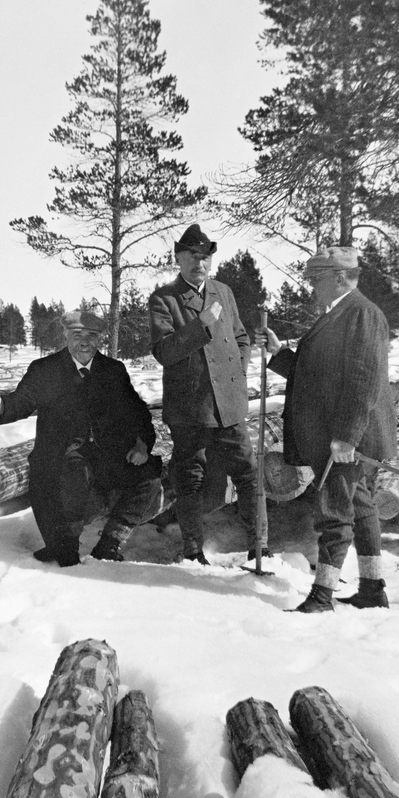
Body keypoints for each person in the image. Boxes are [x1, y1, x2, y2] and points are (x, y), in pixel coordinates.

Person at [260, 245, 397, 612]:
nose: (310, 287)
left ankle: (322, 595)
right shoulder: (340, 313)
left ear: (339, 278)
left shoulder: (362, 315)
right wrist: (278, 354)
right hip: (344, 433)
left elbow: (363, 380)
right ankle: (372, 588)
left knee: (333, 511)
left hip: (348, 437)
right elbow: (316, 376)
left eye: (316, 279)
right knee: (362, 506)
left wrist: (346, 437)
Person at [0, 310, 163, 567]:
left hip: (103, 463)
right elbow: (18, 405)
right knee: (65, 560)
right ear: (65, 336)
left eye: (92, 335)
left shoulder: (113, 370)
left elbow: (139, 413)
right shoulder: (45, 370)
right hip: (57, 465)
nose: (85, 341)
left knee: (149, 478)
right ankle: (63, 545)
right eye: (78, 335)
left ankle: (110, 543)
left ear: (99, 339)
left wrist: (142, 443)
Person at [148, 223, 269, 565]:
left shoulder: (223, 292)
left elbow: (241, 338)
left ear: (211, 261)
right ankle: (192, 550)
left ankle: (259, 546)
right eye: (191, 256)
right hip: (189, 408)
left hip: (228, 406)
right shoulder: (163, 299)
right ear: (178, 258)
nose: (198, 263)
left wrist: (236, 373)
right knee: (190, 479)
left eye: (204, 257)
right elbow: (164, 352)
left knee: (248, 472)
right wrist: (200, 324)